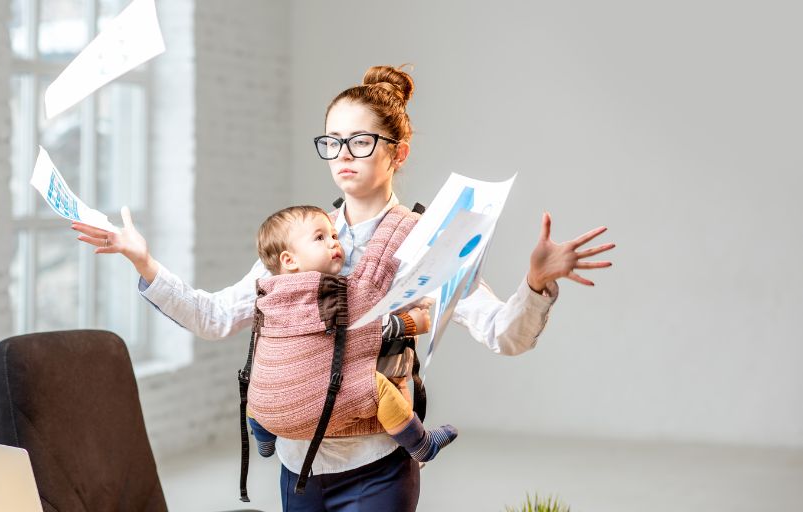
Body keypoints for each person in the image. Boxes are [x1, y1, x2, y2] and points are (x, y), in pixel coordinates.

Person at [72, 64, 614, 511]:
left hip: (377, 469)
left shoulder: (429, 241)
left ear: (398, 152)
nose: (343, 154)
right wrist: (144, 263)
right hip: (298, 468)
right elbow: (214, 317)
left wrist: (536, 283)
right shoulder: (300, 240)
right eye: (332, 141)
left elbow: (506, 335)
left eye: (360, 140)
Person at [246, 204, 457, 465]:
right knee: (380, 388)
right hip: (311, 411)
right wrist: (408, 323)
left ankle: (264, 438)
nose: (334, 243)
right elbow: (361, 329)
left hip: (266, 411)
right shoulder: (327, 292)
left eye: (334, 236)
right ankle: (420, 444)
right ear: (289, 260)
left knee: (260, 380)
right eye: (320, 238)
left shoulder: (267, 295)